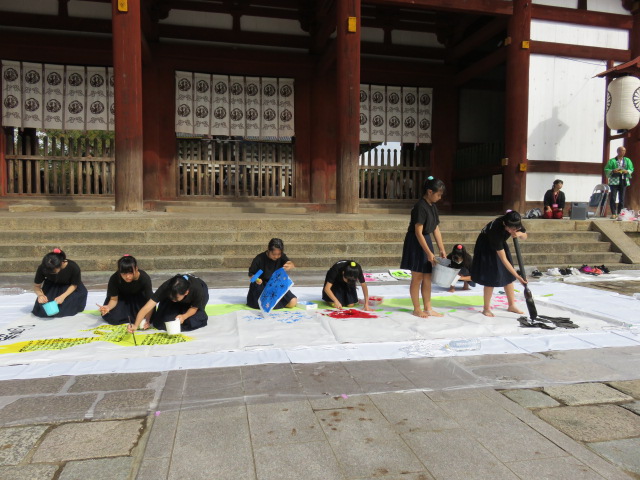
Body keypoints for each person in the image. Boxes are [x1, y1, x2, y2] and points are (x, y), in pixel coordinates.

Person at [399, 176, 446, 318]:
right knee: (417, 276)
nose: (439, 197)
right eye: (438, 194)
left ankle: (428, 307)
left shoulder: (433, 206)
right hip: (415, 241)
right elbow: (418, 232)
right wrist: (428, 253)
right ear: (430, 192)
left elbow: (436, 228)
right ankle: (416, 308)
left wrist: (441, 248)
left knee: (427, 275)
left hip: (426, 240)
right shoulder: (420, 206)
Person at [470, 211, 528, 317]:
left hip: (501, 243)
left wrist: (518, 234)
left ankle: (511, 305)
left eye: (515, 228)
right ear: (505, 224)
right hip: (486, 246)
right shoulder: (495, 231)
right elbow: (503, 259)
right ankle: (486, 308)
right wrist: (518, 276)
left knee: (508, 276)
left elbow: (525, 236)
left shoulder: (514, 221)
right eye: (510, 229)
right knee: (490, 276)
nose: (512, 231)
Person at [128, 274, 209, 333]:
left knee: (194, 320)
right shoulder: (167, 287)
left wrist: (184, 316)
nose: (173, 300)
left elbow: (194, 308)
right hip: (178, 295)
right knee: (162, 321)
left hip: (197, 297)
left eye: (176, 298)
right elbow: (147, 307)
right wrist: (138, 324)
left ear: (186, 292)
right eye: (171, 297)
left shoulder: (197, 290)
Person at [32, 248, 88, 318]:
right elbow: (36, 286)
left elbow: (74, 285)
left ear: (62, 263)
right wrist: (40, 295)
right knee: (45, 310)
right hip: (52, 287)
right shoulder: (43, 268)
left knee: (65, 309)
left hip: (70, 287)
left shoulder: (73, 267)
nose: (50, 272)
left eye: (53, 271)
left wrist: (62, 296)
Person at [98, 255, 153, 325]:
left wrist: (147, 319)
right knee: (113, 318)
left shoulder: (144, 278)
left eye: (130, 273)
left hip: (139, 300)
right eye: (124, 273)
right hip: (121, 300)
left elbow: (150, 301)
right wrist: (108, 307)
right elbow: (114, 299)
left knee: (144, 317)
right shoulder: (114, 278)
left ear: (136, 269)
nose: (127, 276)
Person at [247, 238, 297, 309]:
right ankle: (275, 304)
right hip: (261, 285)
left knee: (293, 301)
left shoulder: (281, 256)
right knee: (264, 304)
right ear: (268, 250)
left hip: (275, 284)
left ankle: (276, 304)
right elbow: (251, 275)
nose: (276, 256)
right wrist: (256, 279)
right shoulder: (259, 258)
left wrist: (290, 265)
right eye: (273, 254)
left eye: (278, 254)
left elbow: (289, 262)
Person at [605, 146, 634, 219]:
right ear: (618, 151)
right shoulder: (612, 161)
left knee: (622, 198)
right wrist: (613, 170)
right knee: (613, 197)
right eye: (622, 151)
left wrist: (627, 171)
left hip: (623, 180)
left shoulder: (627, 160)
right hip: (614, 180)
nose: (623, 152)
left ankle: (619, 213)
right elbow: (607, 169)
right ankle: (613, 213)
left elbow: (631, 169)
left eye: (624, 151)